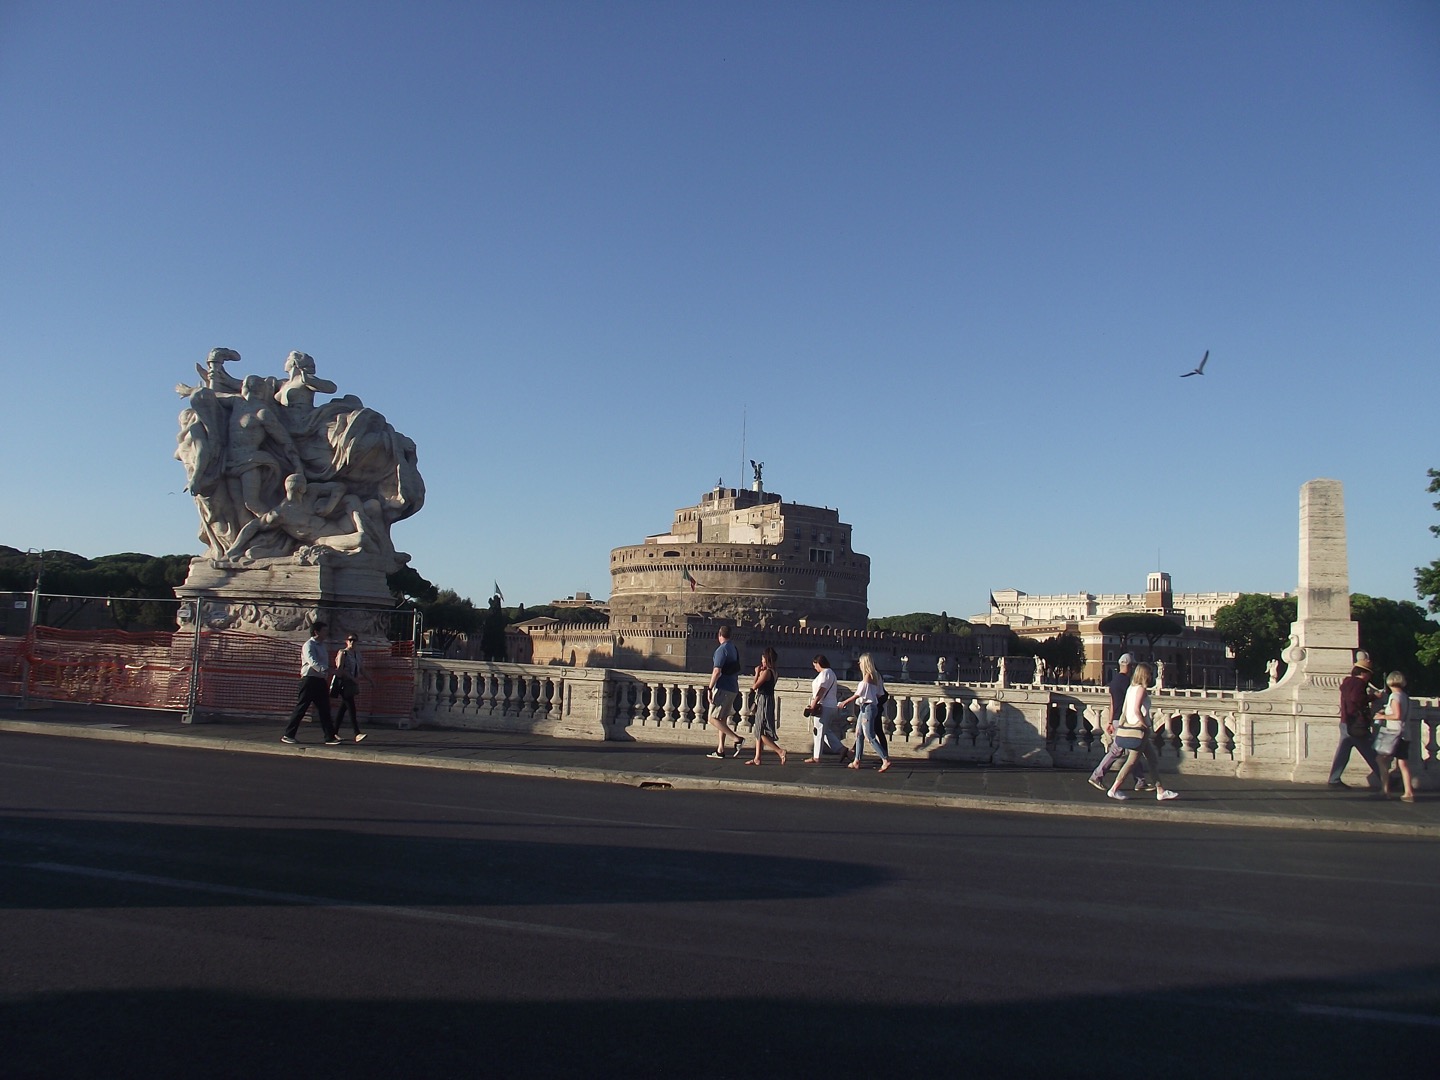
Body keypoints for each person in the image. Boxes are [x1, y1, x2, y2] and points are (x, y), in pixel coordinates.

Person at [1106, 662, 1179, 802]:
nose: (1151, 676)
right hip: (1139, 730)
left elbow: (1126, 710)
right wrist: (1145, 724)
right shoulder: (1141, 690)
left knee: (1152, 759)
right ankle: (1114, 789)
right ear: (1145, 675)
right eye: (1149, 673)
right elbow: (1136, 709)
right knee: (1132, 762)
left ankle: (1160, 790)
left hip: (1133, 728)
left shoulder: (1131, 689)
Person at [1088, 654, 1149, 793]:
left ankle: (1140, 780)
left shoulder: (1114, 681)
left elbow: (1111, 703)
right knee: (1118, 750)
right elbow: (1131, 703)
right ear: (1130, 666)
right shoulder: (1127, 682)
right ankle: (1097, 776)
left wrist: (1110, 721)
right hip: (1124, 721)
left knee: (1133, 750)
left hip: (1116, 719)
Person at [1328, 656, 1381, 787]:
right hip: (1356, 723)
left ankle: (1334, 779)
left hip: (1346, 721)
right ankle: (1385, 777)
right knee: (1371, 751)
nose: (1369, 677)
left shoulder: (1347, 682)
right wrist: (1373, 697)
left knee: (1343, 753)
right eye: (1369, 674)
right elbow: (1356, 698)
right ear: (1363, 673)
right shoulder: (1359, 683)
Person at [282, 622, 339, 745]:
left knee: (325, 709)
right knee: (302, 708)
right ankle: (288, 734)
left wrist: (326, 673)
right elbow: (313, 662)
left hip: (320, 680)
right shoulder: (309, 645)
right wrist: (328, 670)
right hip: (309, 680)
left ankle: (329, 736)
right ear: (316, 632)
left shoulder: (322, 646)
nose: (326, 633)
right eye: (324, 630)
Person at [839, 653, 892, 773]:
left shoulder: (868, 676)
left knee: (870, 736)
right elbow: (880, 693)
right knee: (859, 734)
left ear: (865, 663)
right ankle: (856, 760)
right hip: (867, 707)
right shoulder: (876, 676)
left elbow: (858, 694)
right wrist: (871, 696)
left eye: (860, 662)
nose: (859, 664)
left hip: (868, 708)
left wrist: (844, 702)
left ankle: (885, 759)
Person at [1374, 671, 1416, 802]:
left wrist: (1382, 716)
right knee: (1403, 763)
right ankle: (1408, 791)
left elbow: (1397, 715)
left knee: (1381, 759)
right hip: (1405, 733)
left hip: (1393, 733)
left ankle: (1385, 789)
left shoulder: (1394, 696)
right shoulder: (1405, 697)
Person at [803, 654, 850, 764]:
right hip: (831, 706)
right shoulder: (831, 673)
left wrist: (813, 704)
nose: (814, 668)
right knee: (825, 731)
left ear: (818, 663)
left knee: (818, 731)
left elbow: (821, 690)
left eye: (815, 665)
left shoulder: (825, 673)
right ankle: (842, 749)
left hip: (824, 706)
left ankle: (816, 757)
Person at [706, 625, 744, 759]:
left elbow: (717, 671)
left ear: (719, 634)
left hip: (723, 687)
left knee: (712, 718)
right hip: (733, 687)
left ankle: (737, 739)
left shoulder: (721, 650)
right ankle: (720, 749)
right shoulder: (733, 648)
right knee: (722, 719)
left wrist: (709, 688)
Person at [744, 647, 786, 766]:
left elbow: (755, 686)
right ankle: (757, 757)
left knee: (760, 731)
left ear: (767, 659)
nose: (761, 662)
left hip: (763, 701)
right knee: (760, 729)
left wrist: (757, 673)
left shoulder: (767, 672)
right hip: (769, 699)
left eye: (763, 660)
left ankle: (780, 751)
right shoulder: (774, 672)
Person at [332, 633, 368, 743]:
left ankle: (333, 732)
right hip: (344, 683)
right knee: (351, 707)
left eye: (354, 640)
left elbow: (362, 669)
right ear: (346, 641)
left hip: (352, 683)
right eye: (350, 640)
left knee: (343, 708)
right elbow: (340, 669)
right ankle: (357, 733)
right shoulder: (343, 653)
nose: (352, 642)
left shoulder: (357, 654)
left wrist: (370, 680)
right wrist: (352, 678)